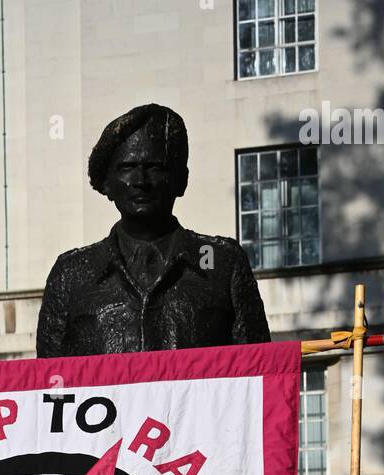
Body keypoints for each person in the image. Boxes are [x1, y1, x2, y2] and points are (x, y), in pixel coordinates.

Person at [36, 103, 270, 358]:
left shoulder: (223, 264)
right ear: (107, 183)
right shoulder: (71, 274)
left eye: (155, 167)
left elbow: (260, 375)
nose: (140, 181)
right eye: (127, 167)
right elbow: (48, 385)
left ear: (181, 180)